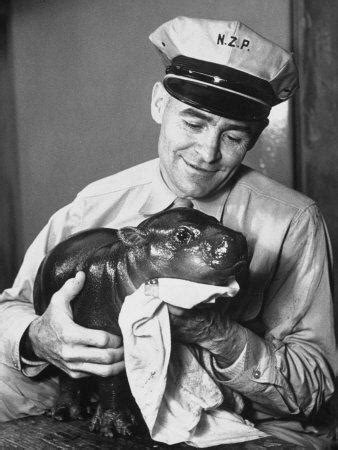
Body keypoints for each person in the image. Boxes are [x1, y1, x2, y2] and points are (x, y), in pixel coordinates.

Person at [0, 16, 336, 448]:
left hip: (243, 427)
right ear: (160, 104)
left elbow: (316, 389)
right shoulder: (96, 203)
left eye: (233, 135)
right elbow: (12, 307)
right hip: (105, 408)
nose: (207, 153)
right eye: (193, 124)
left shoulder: (293, 222)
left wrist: (215, 331)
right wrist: (37, 337)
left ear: (256, 137)